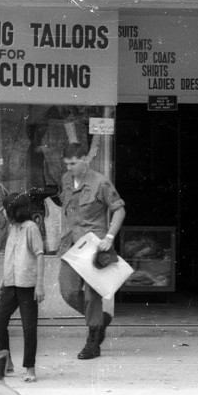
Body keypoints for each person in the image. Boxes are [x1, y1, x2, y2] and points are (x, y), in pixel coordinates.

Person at [57, 143, 125, 360]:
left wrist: (109, 238)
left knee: (91, 295)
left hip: (95, 246)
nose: (70, 168)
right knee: (67, 291)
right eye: (67, 164)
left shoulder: (100, 182)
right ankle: (100, 319)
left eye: (74, 163)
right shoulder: (66, 180)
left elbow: (119, 210)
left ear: (85, 159)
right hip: (72, 245)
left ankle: (93, 341)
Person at [0, 193, 45, 382]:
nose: (5, 214)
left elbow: (39, 254)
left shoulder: (31, 228)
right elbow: (11, 259)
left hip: (28, 285)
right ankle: (6, 361)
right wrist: (2, 281)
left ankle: (30, 369)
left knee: (28, 327)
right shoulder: (13, 229)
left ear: (15, 211)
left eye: (7, 210)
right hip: (10, 284)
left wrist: (39, 284)